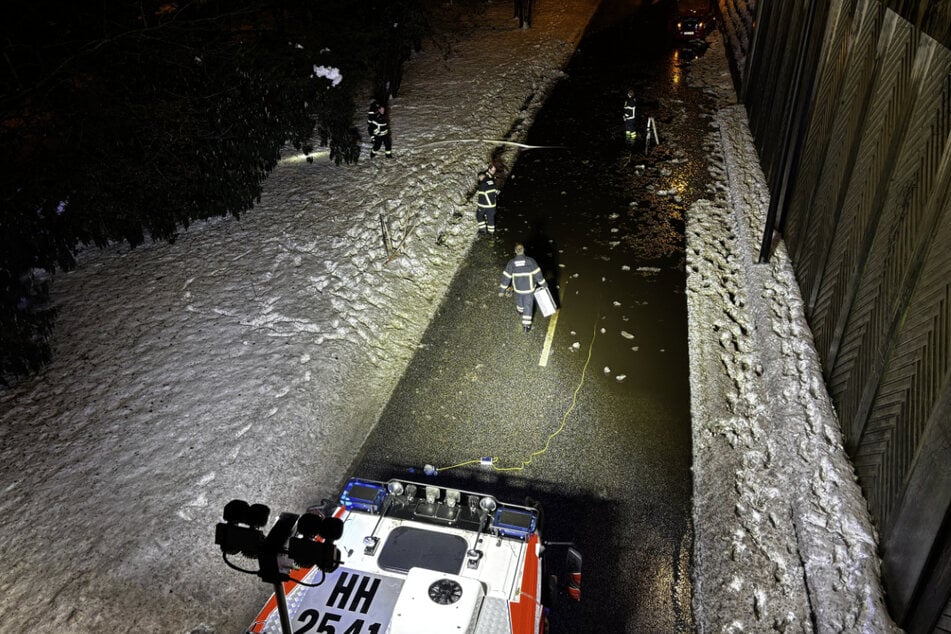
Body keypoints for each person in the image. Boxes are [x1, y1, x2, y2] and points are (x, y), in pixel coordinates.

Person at [498, 243, 547, 332]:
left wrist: (502, 290)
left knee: (519, 302)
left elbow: (506, 277)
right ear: (524, 250)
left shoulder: (511, 263)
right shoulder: (531, 261)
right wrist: (544, 285)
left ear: (515, 251)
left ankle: (520, 311)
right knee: (528, 306)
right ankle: (526, 326)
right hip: (529, 290)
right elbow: (538, 275)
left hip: (518, 289)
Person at [475, 163, 499, 236]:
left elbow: (483, 189)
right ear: (489, 169)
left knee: (479, 215)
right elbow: (495, 190)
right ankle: (491, 233)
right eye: (492, 170)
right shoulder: (491, 179)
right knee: (490, 218)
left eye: (494, 170)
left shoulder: (486, 181)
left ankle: (483, 230)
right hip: (492, 204)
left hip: (484, 204)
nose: (493, 171)